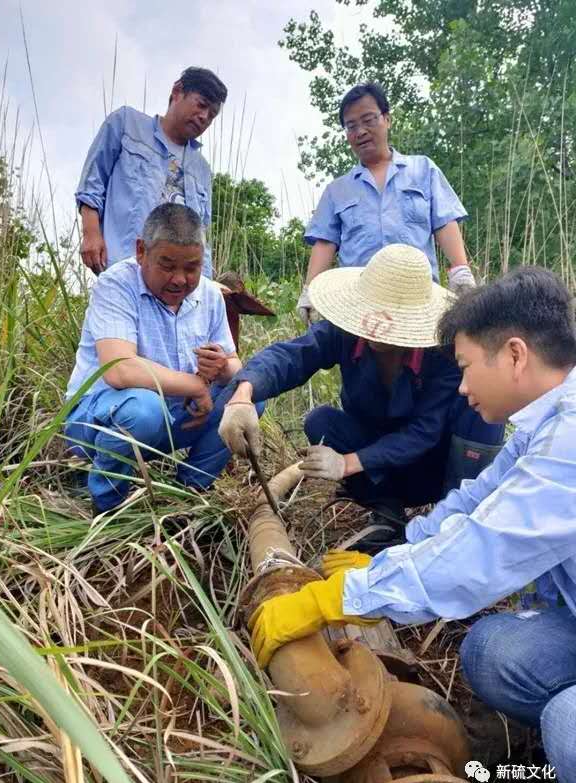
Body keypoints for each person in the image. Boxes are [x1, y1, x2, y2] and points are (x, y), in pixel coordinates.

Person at [249, 266, 576, 783]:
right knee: (491, 649)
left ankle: (554, 760)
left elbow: (480, 551)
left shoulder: (569, 441)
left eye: (468, 366)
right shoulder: (544, 423)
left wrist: (340, 597)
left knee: (568, 721)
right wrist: (398, 551)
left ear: (515, 355)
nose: (463, 384)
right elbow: (475, 502)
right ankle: (544, 768)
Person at [219, 244, 503, 544]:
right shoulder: (343, 333)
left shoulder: (442, 354)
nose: (377, 330)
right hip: (377, 464)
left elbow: (423, 433)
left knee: (479, 411)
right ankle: (386, 512)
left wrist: (348, 463)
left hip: (429, 466)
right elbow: (291, 357)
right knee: (321, 422)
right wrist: (243, 394)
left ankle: (453, 526)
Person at [64, 203, 248, 513]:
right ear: (141, 251)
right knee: (144, 411)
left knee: (248, 396)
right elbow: (119, 370)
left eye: (192, 267)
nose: (180, 279)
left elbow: (235, 365)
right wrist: (196, 385)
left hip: (171, 418)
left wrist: (223, 368)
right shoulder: (116, 285)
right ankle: (106, 506)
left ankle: (189, 492)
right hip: (99, 420)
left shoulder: (209, 296)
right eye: (167, 265)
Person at [297, 81, 475, 324]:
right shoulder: (336, 190)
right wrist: (310, 290)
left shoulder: (423, 170)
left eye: (369, 120)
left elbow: (444, 222)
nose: (360, 131)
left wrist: (460, 270)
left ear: (387, 119)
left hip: (419, 302)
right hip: (359, 307)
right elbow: (325, 242)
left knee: (424, 361)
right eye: (351, 126)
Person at [76, 66, 227, 278]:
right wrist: (91, 234)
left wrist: (208, 285)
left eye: (211, 115)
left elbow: (201, 232)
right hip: (125, 268)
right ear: (177, 91)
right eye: (201, 105)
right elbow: (92, 184)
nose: (204, 117)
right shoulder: (126, 124)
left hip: (179, 286)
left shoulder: (201, 168)